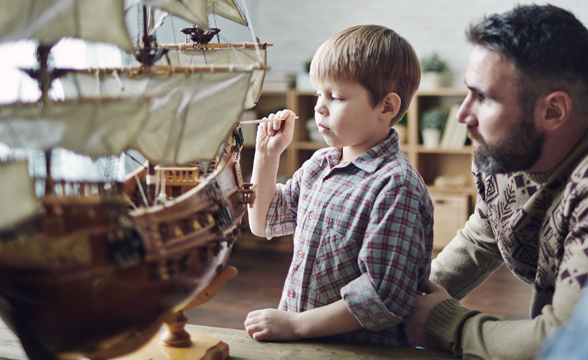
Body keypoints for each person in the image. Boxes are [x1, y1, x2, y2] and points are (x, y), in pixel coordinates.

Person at [403, 4, 588, 359]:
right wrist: (400, 299)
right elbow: (485, 234)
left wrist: (446, 324)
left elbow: (562, 340)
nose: (462, 114)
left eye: (484, 97)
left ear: (553, 111)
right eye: (467, 91)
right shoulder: (509, 152)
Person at [243, 25, 433, 346]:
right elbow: (262, 223)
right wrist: (266, 156)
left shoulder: (395, 185)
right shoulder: (320, 165)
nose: (319, 106)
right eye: (319, 93)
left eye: (336, 96)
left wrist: (296, 325)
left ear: (386, 107)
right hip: (303, 341)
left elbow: (384, 297)